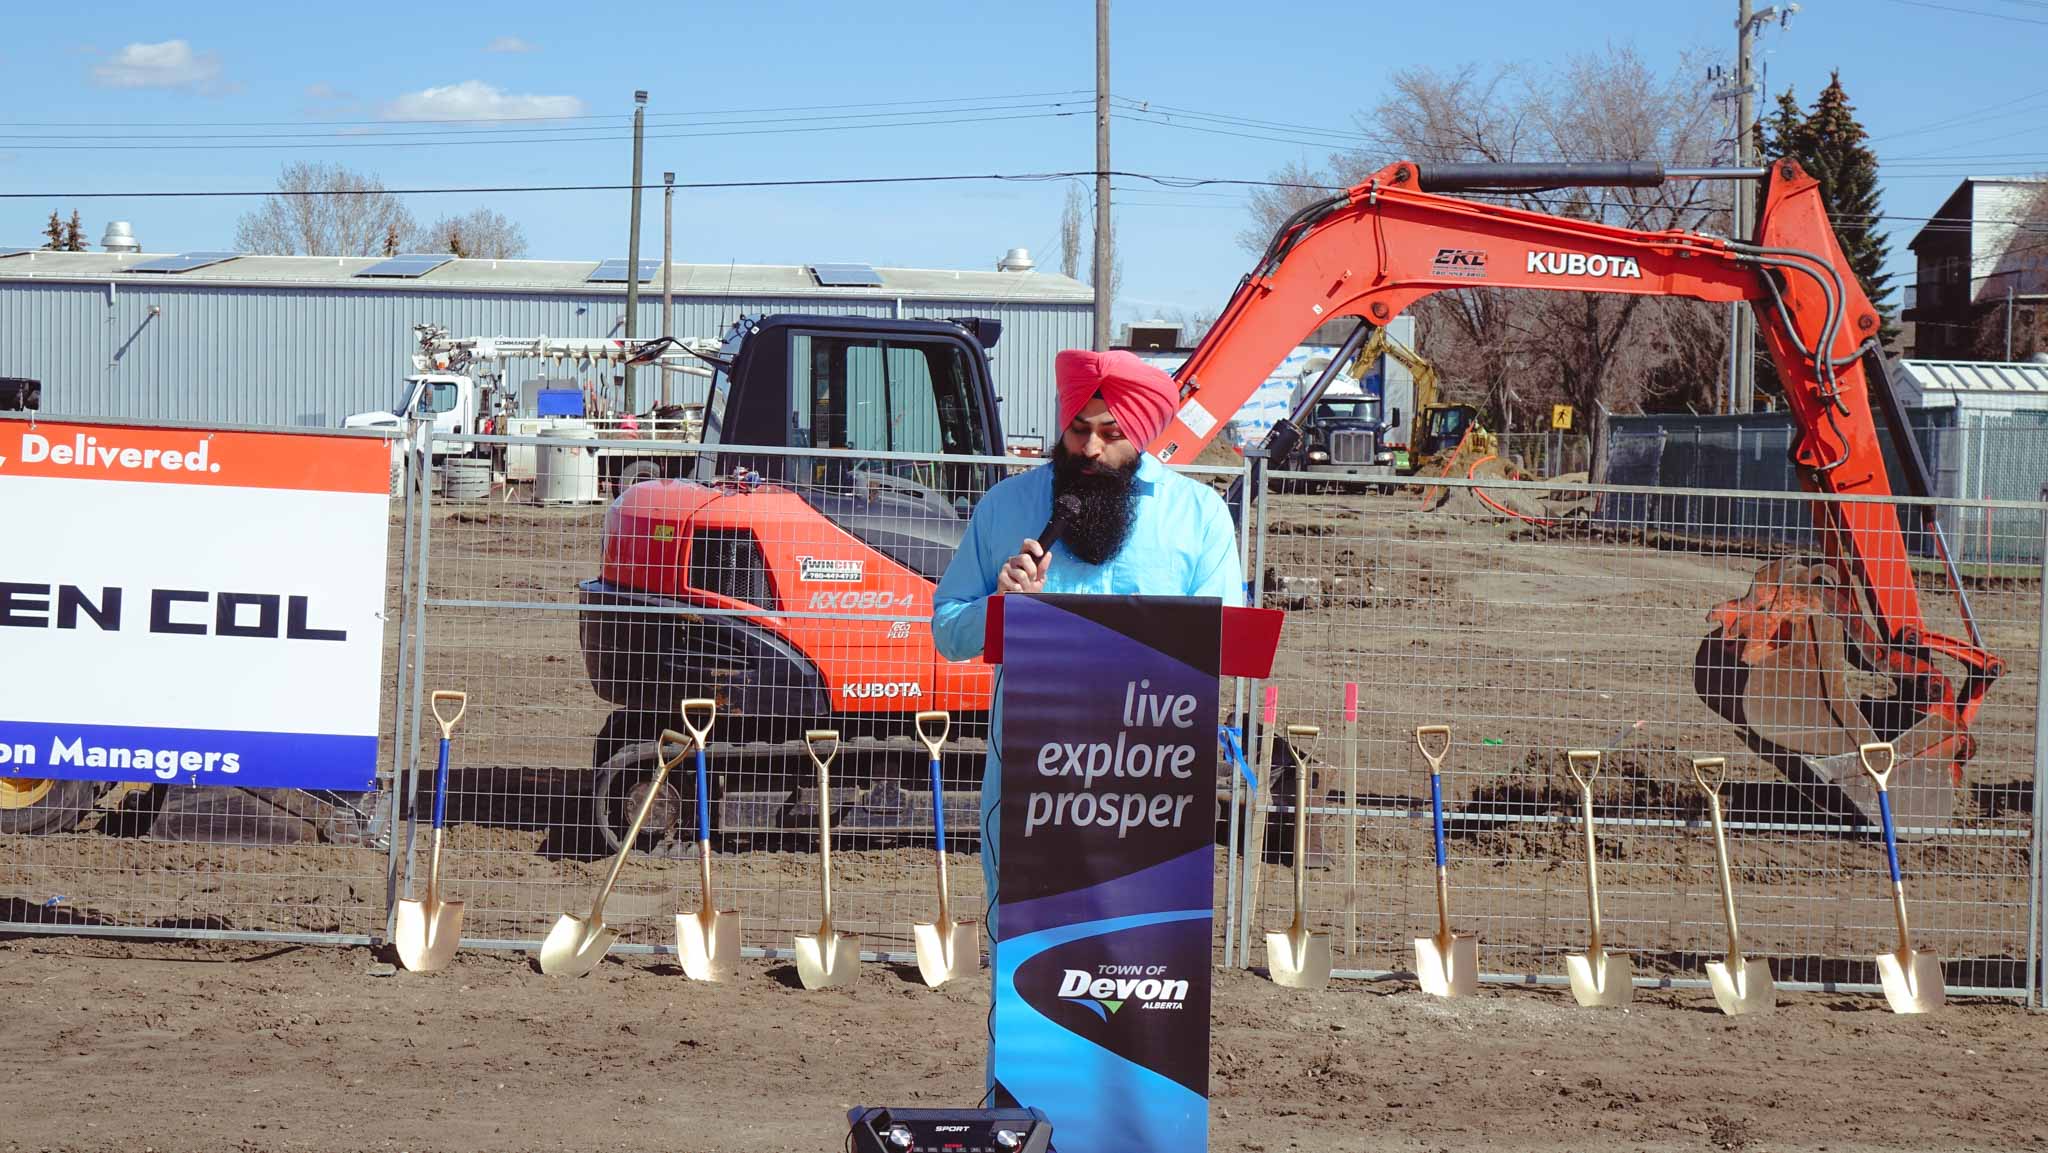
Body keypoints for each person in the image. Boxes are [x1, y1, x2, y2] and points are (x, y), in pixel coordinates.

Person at [930, 346, 1246, 973]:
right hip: (1031, 781)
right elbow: (948, 630)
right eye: (1078, 430)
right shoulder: (1006, 507)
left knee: (1146, 967)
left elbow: (1226, 643)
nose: (1092, 449)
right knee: (1030, 969)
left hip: (1152, 784)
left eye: (1111, 433)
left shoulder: (1198, 516)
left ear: (1144, 433)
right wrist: (1002, 607)